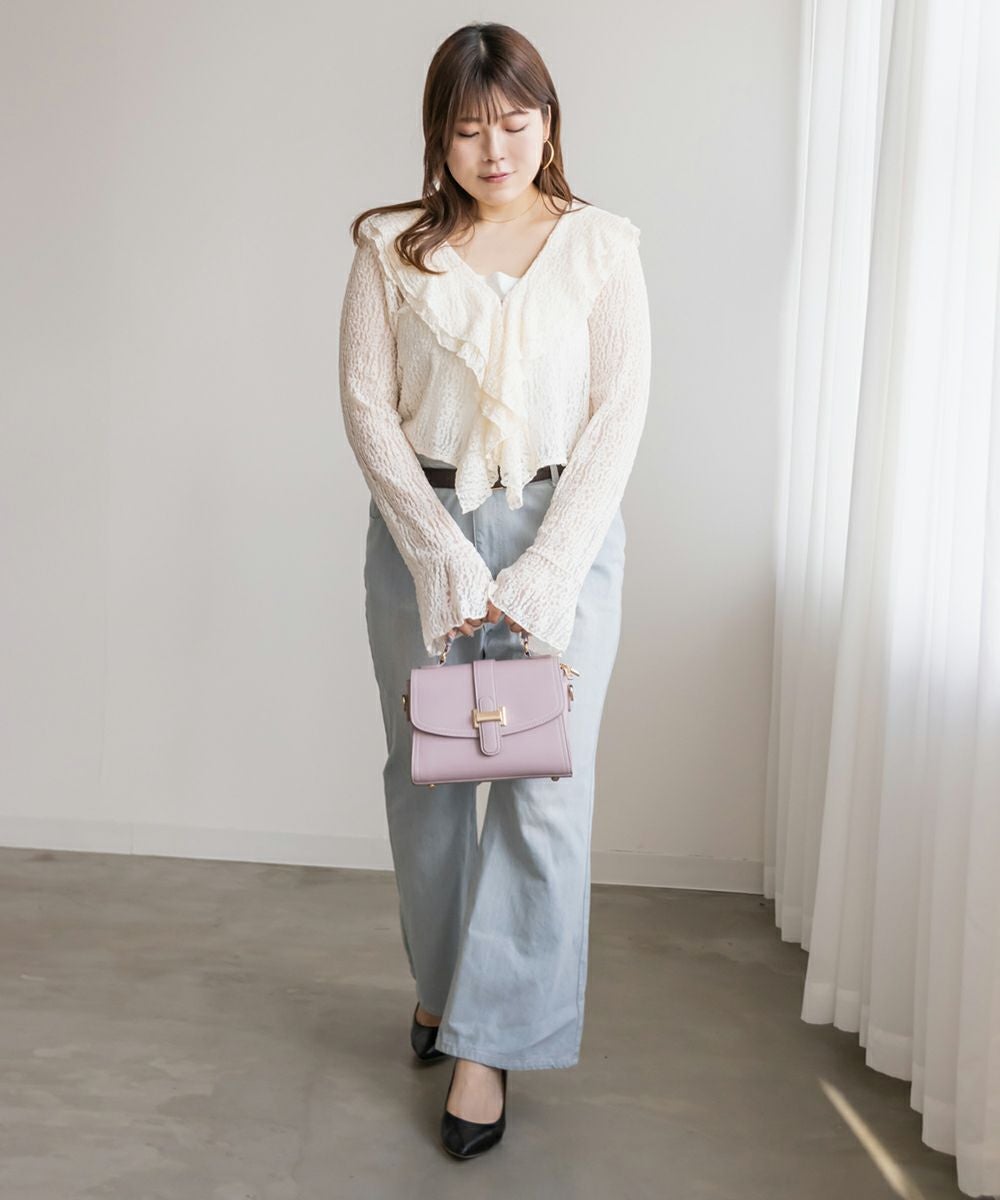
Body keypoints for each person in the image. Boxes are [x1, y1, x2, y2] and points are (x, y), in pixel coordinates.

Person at [338, 21, 651, 1159]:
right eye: (469, 129)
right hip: (422, 537)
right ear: (439, 136)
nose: (495, 149)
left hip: (558, 534)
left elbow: (617, 417)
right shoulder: (390, 247)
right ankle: (445, 986)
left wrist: (547, 569)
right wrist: (442, 557)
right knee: (430, 781)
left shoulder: (601, 247)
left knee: (537, 789)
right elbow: (368, 410)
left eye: (515, 123)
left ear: (548, 122)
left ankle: (488, 1047)